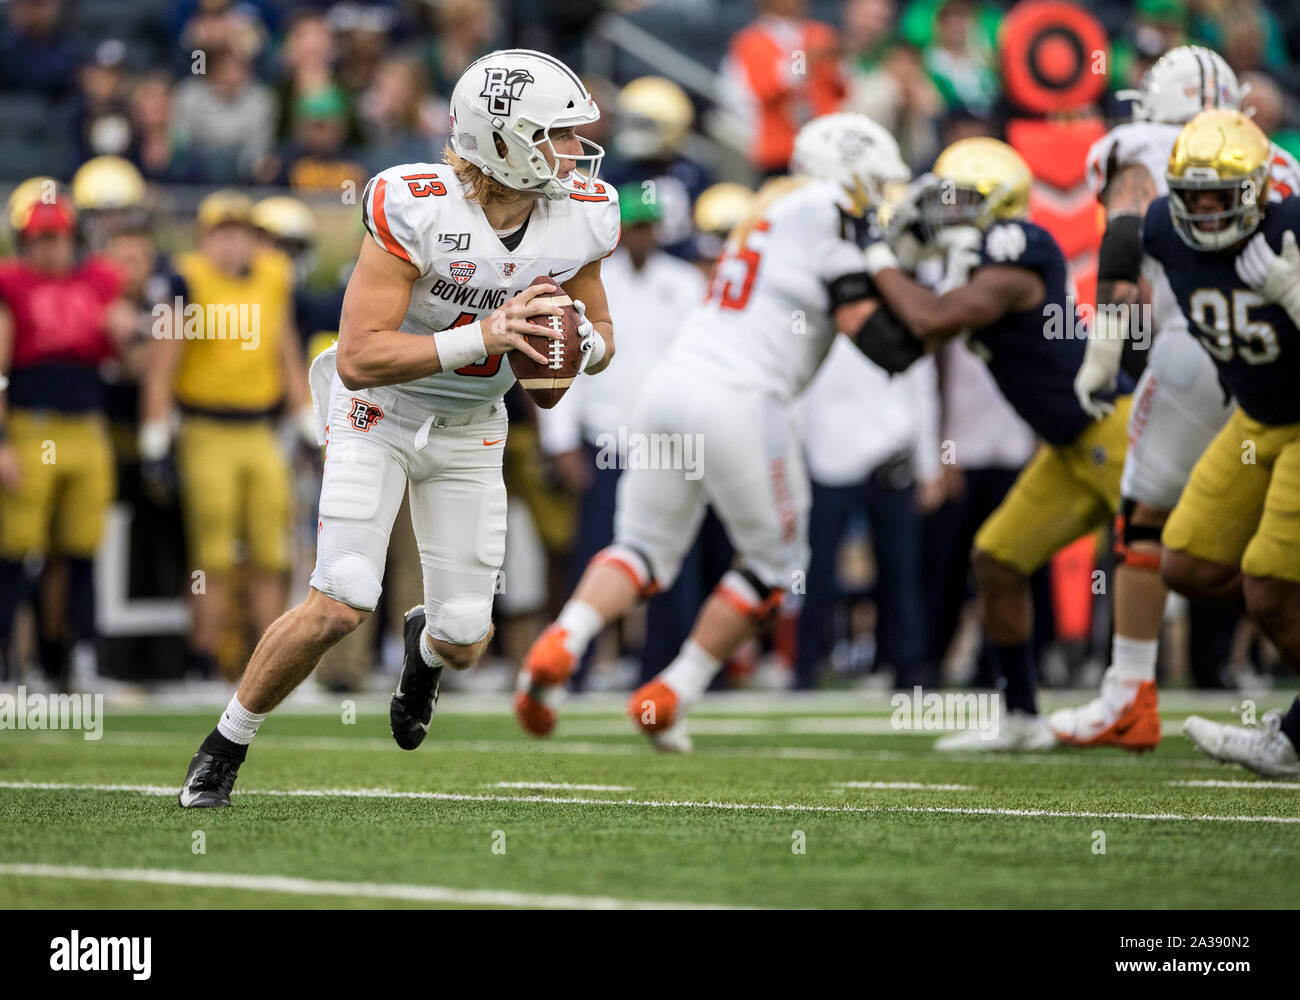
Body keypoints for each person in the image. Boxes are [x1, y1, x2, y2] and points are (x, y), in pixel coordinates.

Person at [178, 49, 619, 808]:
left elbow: (601, 326)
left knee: (466, 639)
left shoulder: (581, 212)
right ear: (505, 139)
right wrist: (486, 335)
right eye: (555, 136)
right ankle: (225, 744)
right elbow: (357, 357)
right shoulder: (414, 204)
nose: (574, 153)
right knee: (341, 598)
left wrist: (582, 342)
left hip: (472, 422)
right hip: (378, 413)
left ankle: (424, 649)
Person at [515, 112, 910, 750]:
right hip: (743, 399)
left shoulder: (772, 210)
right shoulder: (830, 212)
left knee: (641, 547)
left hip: (671, 387)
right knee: (776, 567)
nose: (882, 198)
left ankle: (566, 639)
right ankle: (673, 693)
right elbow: (887, 341)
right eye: (876, 183)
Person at [1056, 46, 1300, 750]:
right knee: (1205, 550)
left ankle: (1127, 691)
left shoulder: (1147, 149)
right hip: (1253, 374)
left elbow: (1127, 236)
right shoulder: (1275, 161)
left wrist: (1106, 348)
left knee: (1144, 513)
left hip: (1198, 351)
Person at [860, 137, 1133, 750]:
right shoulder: (976, 263)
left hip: (1112, 430)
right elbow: (918, 335)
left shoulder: (1019, 248)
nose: (945, 211)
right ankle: (1023, 718)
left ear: (998, 203)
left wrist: (878, 259)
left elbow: (929, 320)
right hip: (1067, 446)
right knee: (998, 560)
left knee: (1208, 568)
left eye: (960, 200)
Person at [1137, 110, 1300, 777]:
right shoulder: (1160, 229)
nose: (1203, 212)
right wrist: (1105, 349)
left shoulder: (1292, 231)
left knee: (1267, 590)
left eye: (1219, 197)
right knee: (1189, 565)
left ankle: (1293, 739)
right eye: (1191, 197)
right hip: (1256, 418)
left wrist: (1290, 290)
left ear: (1259, 191)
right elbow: (1124, 240)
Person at [537, 184, 708, 689]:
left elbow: (697, 365)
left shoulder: (684, 284)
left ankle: (662, 668)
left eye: (649, 226)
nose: (641, 235)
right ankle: (576, 666)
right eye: (633, 226)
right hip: (605, 439)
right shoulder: (593, 282)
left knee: (669, 559)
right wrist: (561, 440)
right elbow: (560, 359)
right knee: (595, 555)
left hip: (668, 442)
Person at [142, 191, 310, 683]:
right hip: (205, 427)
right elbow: (162, 365)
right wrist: (156, 437)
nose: (234, 244)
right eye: (224, 233)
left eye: (242, 233)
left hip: (261, 428)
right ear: (206, 237)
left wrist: (304, 421)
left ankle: (274, 668)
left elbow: (285, 350)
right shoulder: (185, 280)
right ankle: (202, 659)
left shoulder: (274, 275)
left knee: (272, 551)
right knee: (211, 553)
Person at [0, 191, 134, 687]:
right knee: (17, 551)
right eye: (42, 238)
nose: (53, 248)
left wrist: (130, 331)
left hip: (87, 426)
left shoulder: (97, 281)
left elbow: (126, 353)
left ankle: (79, 662)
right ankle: (10, 665)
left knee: (81, 550)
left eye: (60, 237)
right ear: (24, 241)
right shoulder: (11, 284)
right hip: (32, 425)